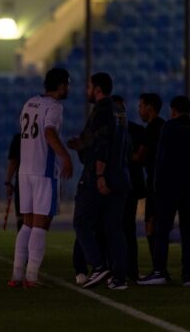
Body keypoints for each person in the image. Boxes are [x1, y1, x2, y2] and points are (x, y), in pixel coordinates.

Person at [9, 68, 73, 288]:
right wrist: (65, 156)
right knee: (40, 224)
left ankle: (17, 275)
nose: (68, 88)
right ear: (61, 85)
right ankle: (32, 276)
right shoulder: (54, 106)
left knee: (26, 224)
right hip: (43, 171)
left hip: (25, 170)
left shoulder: (30, 102)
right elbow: (49, 132)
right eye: (67, 84)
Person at [138, 96, 190, 286]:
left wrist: (157, 184)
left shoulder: (169, 127)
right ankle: (187, 274)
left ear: (174, 110)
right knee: (188, 231)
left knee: (163, 230)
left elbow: (161, 158)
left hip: (168, 186)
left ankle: (160, 271)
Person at [70, 73, 131, 291]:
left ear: (97, 89)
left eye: (88, 86)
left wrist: (100, 176)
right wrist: (82, 145)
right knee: (114, 229)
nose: (86, 90)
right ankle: (119, 278)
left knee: (81, 222)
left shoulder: (101, 111)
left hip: (100, 178)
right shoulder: (119, 111)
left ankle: (98, 266)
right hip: (121, 177)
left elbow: (102, 146)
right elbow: (121, 144)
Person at [117, 95, 146, 283]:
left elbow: (140, 157)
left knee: (125, 227)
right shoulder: (134, 130)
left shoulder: (134, 130)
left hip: (126, 185)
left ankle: (127, 270)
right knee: (124, 228)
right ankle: (124, 270)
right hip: (123, 184)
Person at [138, 93, 164, 264]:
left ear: (149, 107)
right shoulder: (164, 126)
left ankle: (158, 267)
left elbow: (141, 156)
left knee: (151, 225)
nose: (139, 110)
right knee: (159, 225)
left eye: (141, 106)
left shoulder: (151, 129)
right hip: (164, 182)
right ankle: (159, 266)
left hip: (155, 184)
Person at [4, 133, 23, 232]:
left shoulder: (18, 138)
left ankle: (23, 241)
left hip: (22, 180)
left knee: (22, 218)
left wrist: (8, 182)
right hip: (40, 179)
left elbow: (13, 161)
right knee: (37, 218)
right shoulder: (42, 136)